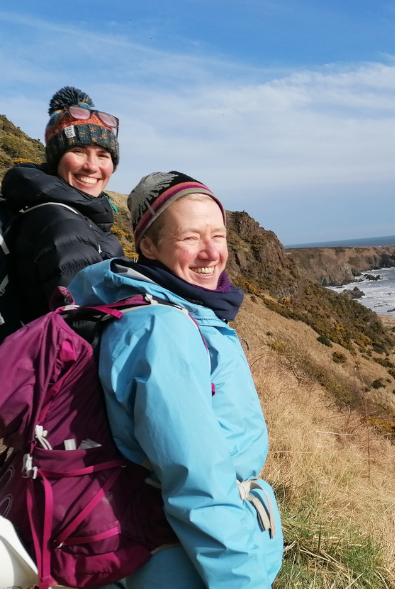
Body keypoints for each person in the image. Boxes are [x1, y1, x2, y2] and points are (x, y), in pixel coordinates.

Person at [68, 172, 283, 589]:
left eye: (218, 236)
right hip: (185, 561)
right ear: (148, 245)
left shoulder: (175, 310)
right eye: (190, 237)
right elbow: (196, 479)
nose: (210, 253)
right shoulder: (163, 329)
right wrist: (243, 581)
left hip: (178, 547)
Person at [1, 86, 124, 322]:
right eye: (78, 151)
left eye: (102, 155)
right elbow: (82, 323)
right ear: (56, 160)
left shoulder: (76, 214)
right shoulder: (63, 223)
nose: (91, 166)